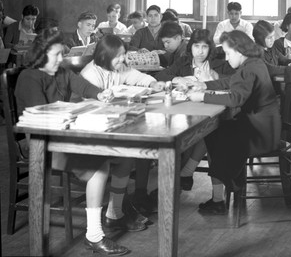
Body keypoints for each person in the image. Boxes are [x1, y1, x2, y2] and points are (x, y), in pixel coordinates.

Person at [15, 29, 147, 256]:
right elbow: (42, 117)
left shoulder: (62, 72)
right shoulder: (29, 77)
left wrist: (99, 95)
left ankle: (114, 214)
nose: (60, 60)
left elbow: (84, 87)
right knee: (99, 168)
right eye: (56, 55)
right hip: (42, 145)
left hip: (67, 136)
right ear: (41, 54)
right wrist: (73, 115)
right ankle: (94, 236)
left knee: (125, 155)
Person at [187, 31, 281, 215]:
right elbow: (233, 81)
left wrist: (201, 97)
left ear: (239, 51)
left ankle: (227, 185)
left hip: (260, 134)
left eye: (228, 53)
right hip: (263, 126)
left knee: (216, 132)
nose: (227, 58)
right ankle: (223, 188)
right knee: (216, 131)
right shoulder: (253, 64)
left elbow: (235, 98)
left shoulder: (250, 68)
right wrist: (206, 85)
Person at [80, 34, 165, 216]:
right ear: (105, 55)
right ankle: (119, 208)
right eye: (119, 56)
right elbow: (91, 109)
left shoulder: (118, 67)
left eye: (123, 54)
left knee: (141, 146)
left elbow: (136, 76)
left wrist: (152, 82)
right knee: (130, 151)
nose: (123, 59)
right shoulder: (90, 74)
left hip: (113, 123)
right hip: (92, 130)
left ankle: (122, 206)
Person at [156, 29, 234, 191]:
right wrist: (177, 78)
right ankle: (183, 175)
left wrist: (213, 78)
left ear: (210, 49)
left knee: (212, 135)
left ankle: (189, 175)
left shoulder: (220, 63)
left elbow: (233, 81)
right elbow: (161, 76)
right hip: (187, 111)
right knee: (192, 134)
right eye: (196, 46)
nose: (200, 51)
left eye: (204, 47)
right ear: (190, 47)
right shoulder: (183, 63)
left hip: (214, 111)